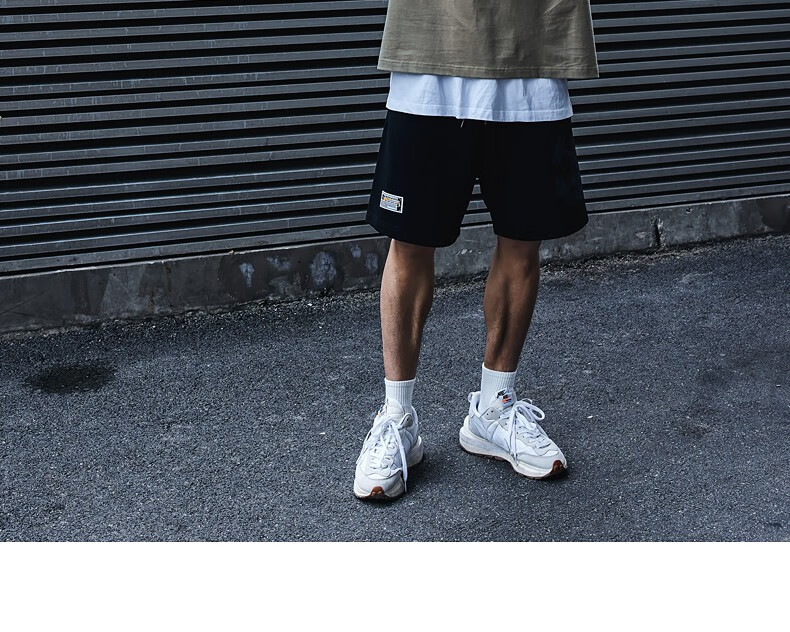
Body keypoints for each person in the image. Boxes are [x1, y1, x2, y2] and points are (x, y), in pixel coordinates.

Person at [354, 0, 600, 500]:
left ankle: (494, 409)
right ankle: (398, 416)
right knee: (410, 242)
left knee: (522, 240)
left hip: (532, 49)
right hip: (431, 51)